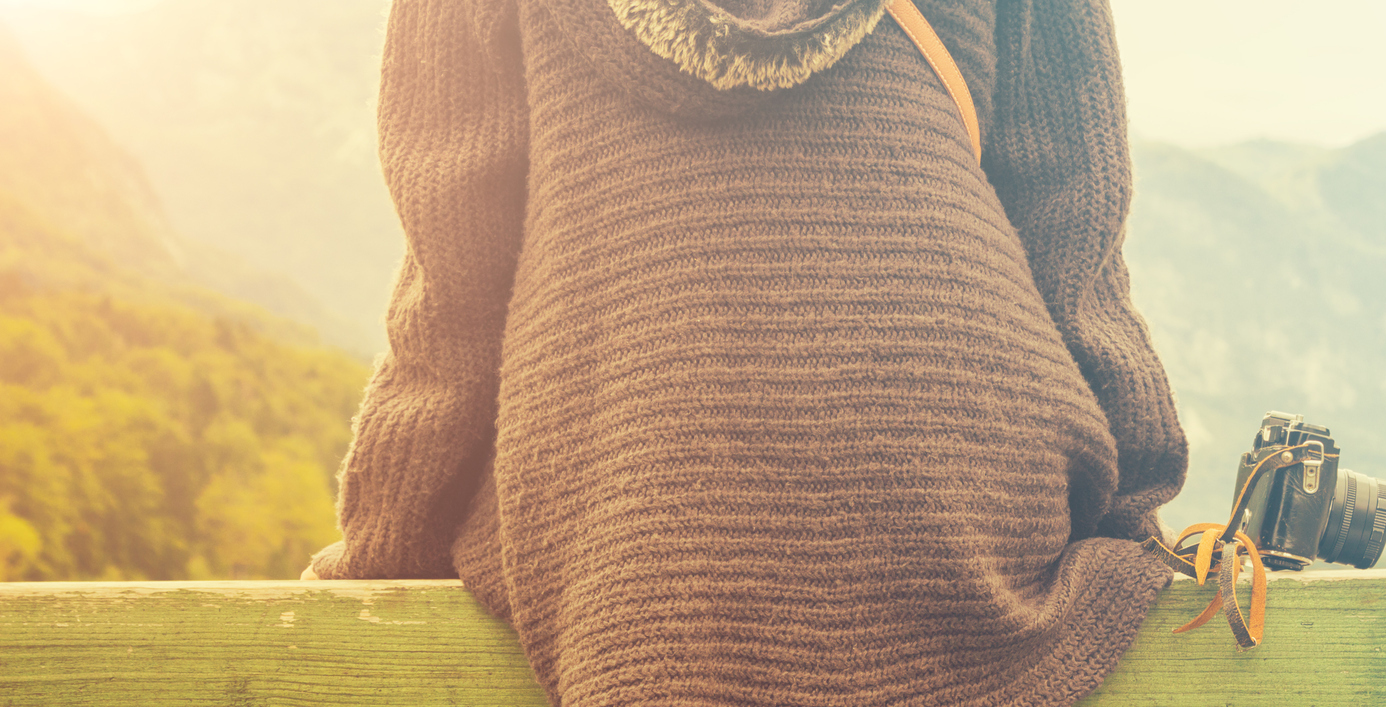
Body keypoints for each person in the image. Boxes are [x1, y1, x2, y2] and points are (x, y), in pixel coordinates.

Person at [300, 0, 1188, 704]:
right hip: (968, 509)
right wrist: (1136, 505)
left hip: (646, 541)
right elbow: (1073, 234)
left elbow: (455, 295)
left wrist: (385, 544)